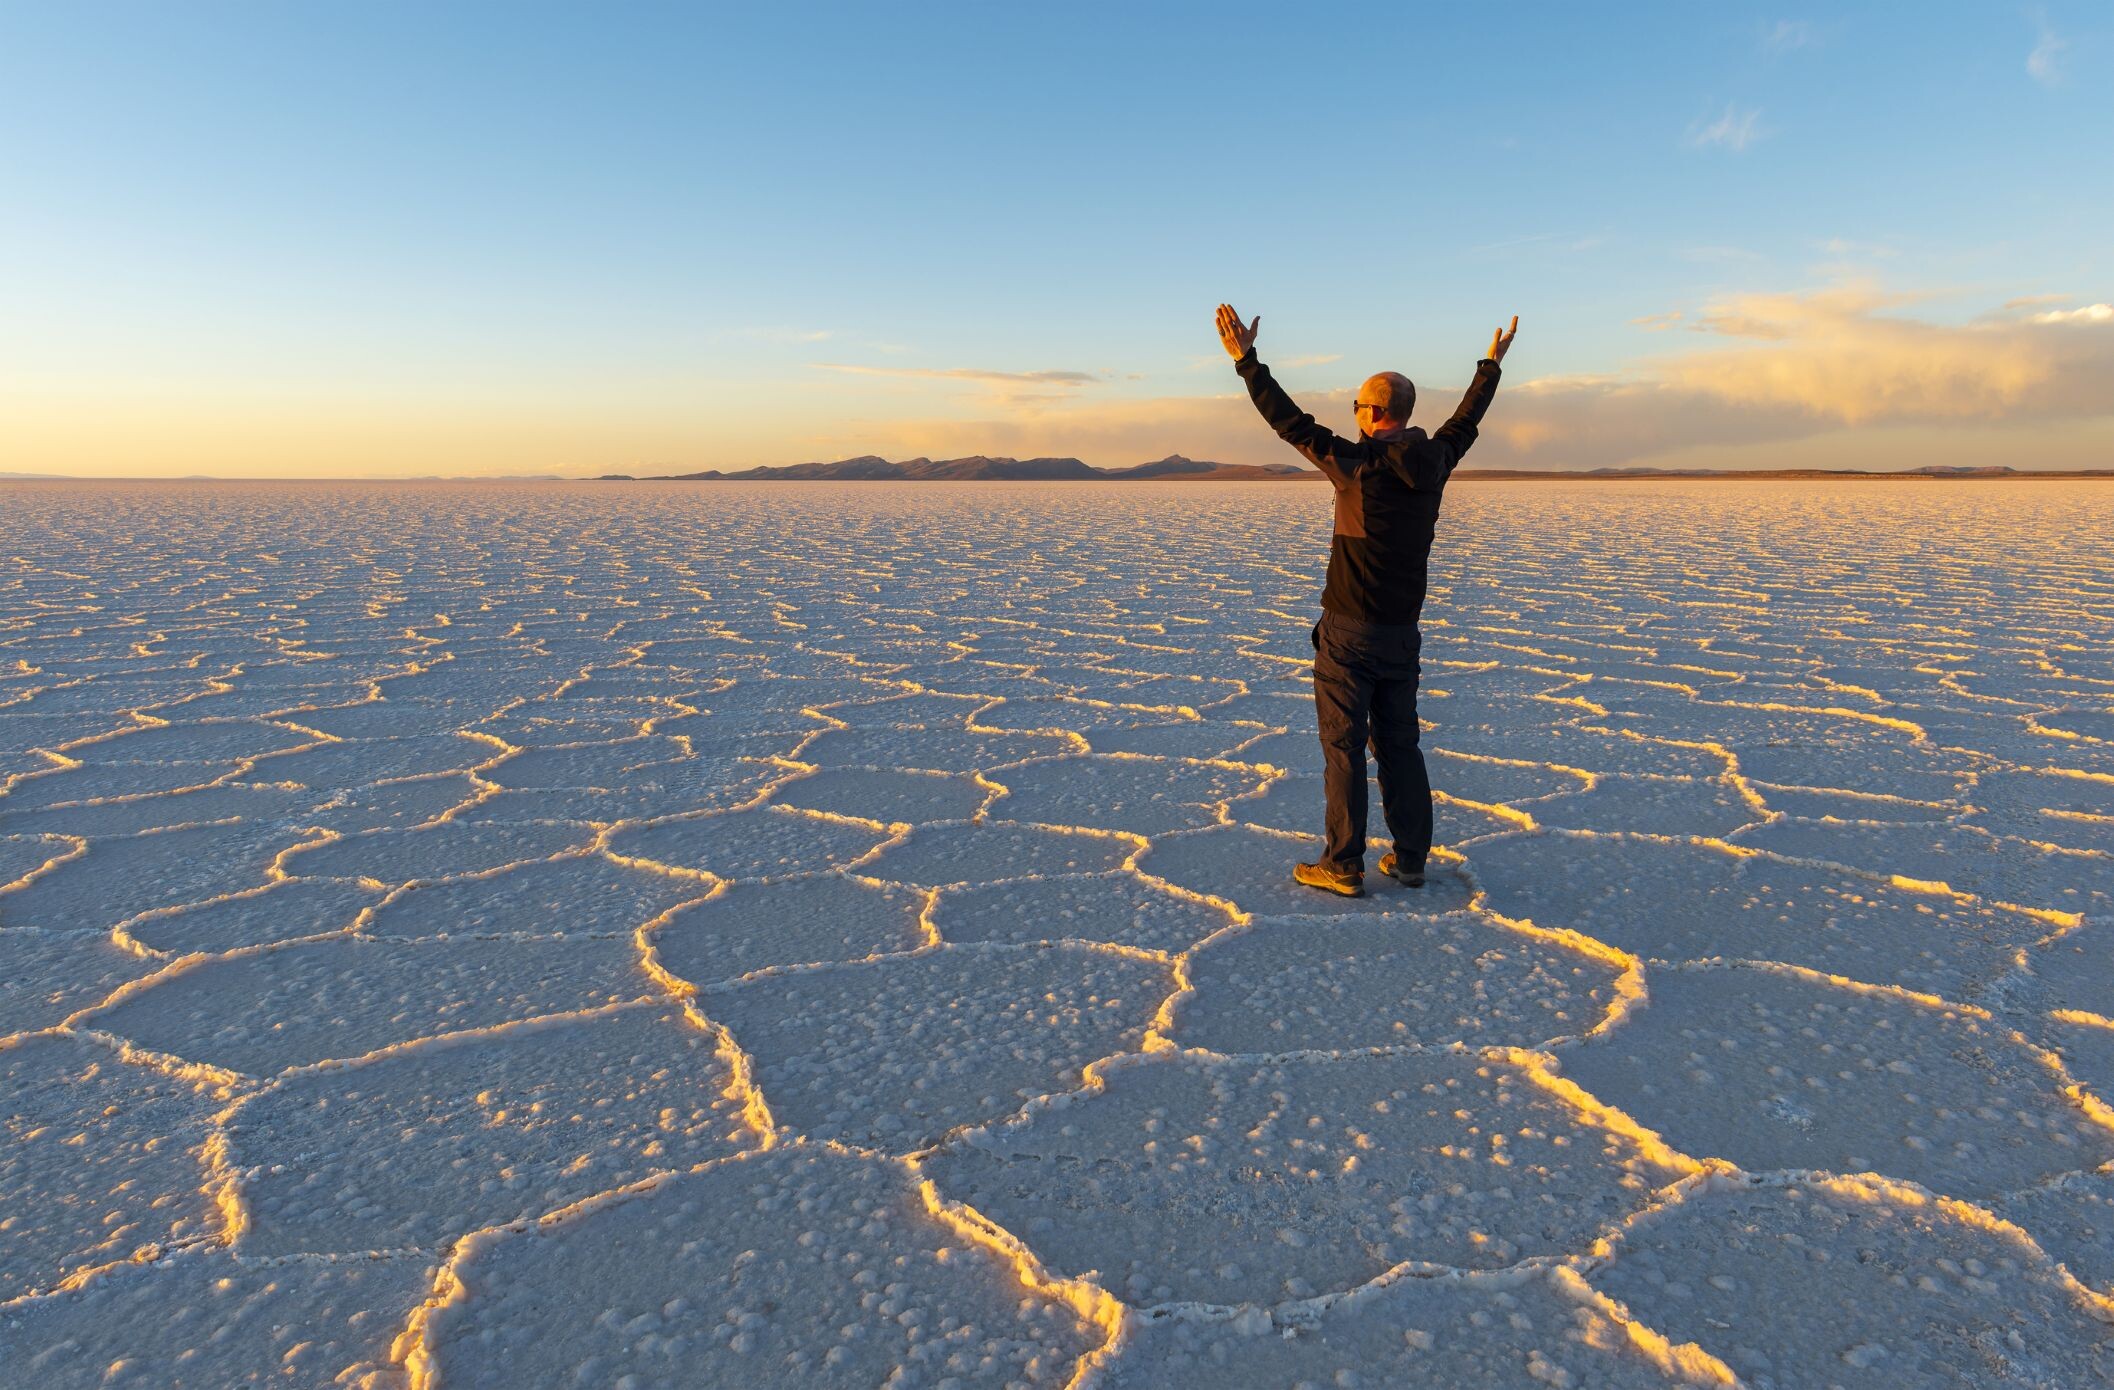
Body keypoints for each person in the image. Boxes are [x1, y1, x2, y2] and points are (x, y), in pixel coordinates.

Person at [1216, 303, 1516, 897]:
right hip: (1402, 633)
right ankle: (1409, 859)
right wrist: (1490, 367)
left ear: (1375, 413)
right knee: (1400, 743)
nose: (1351, 415)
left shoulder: (1357, 466)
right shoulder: (1436, 460)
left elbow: (1291, 423)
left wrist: (1247, 362)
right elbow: (1465, 421)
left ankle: (1343, 863)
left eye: (1356, 406)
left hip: (1349, 634)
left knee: (1344, 746)